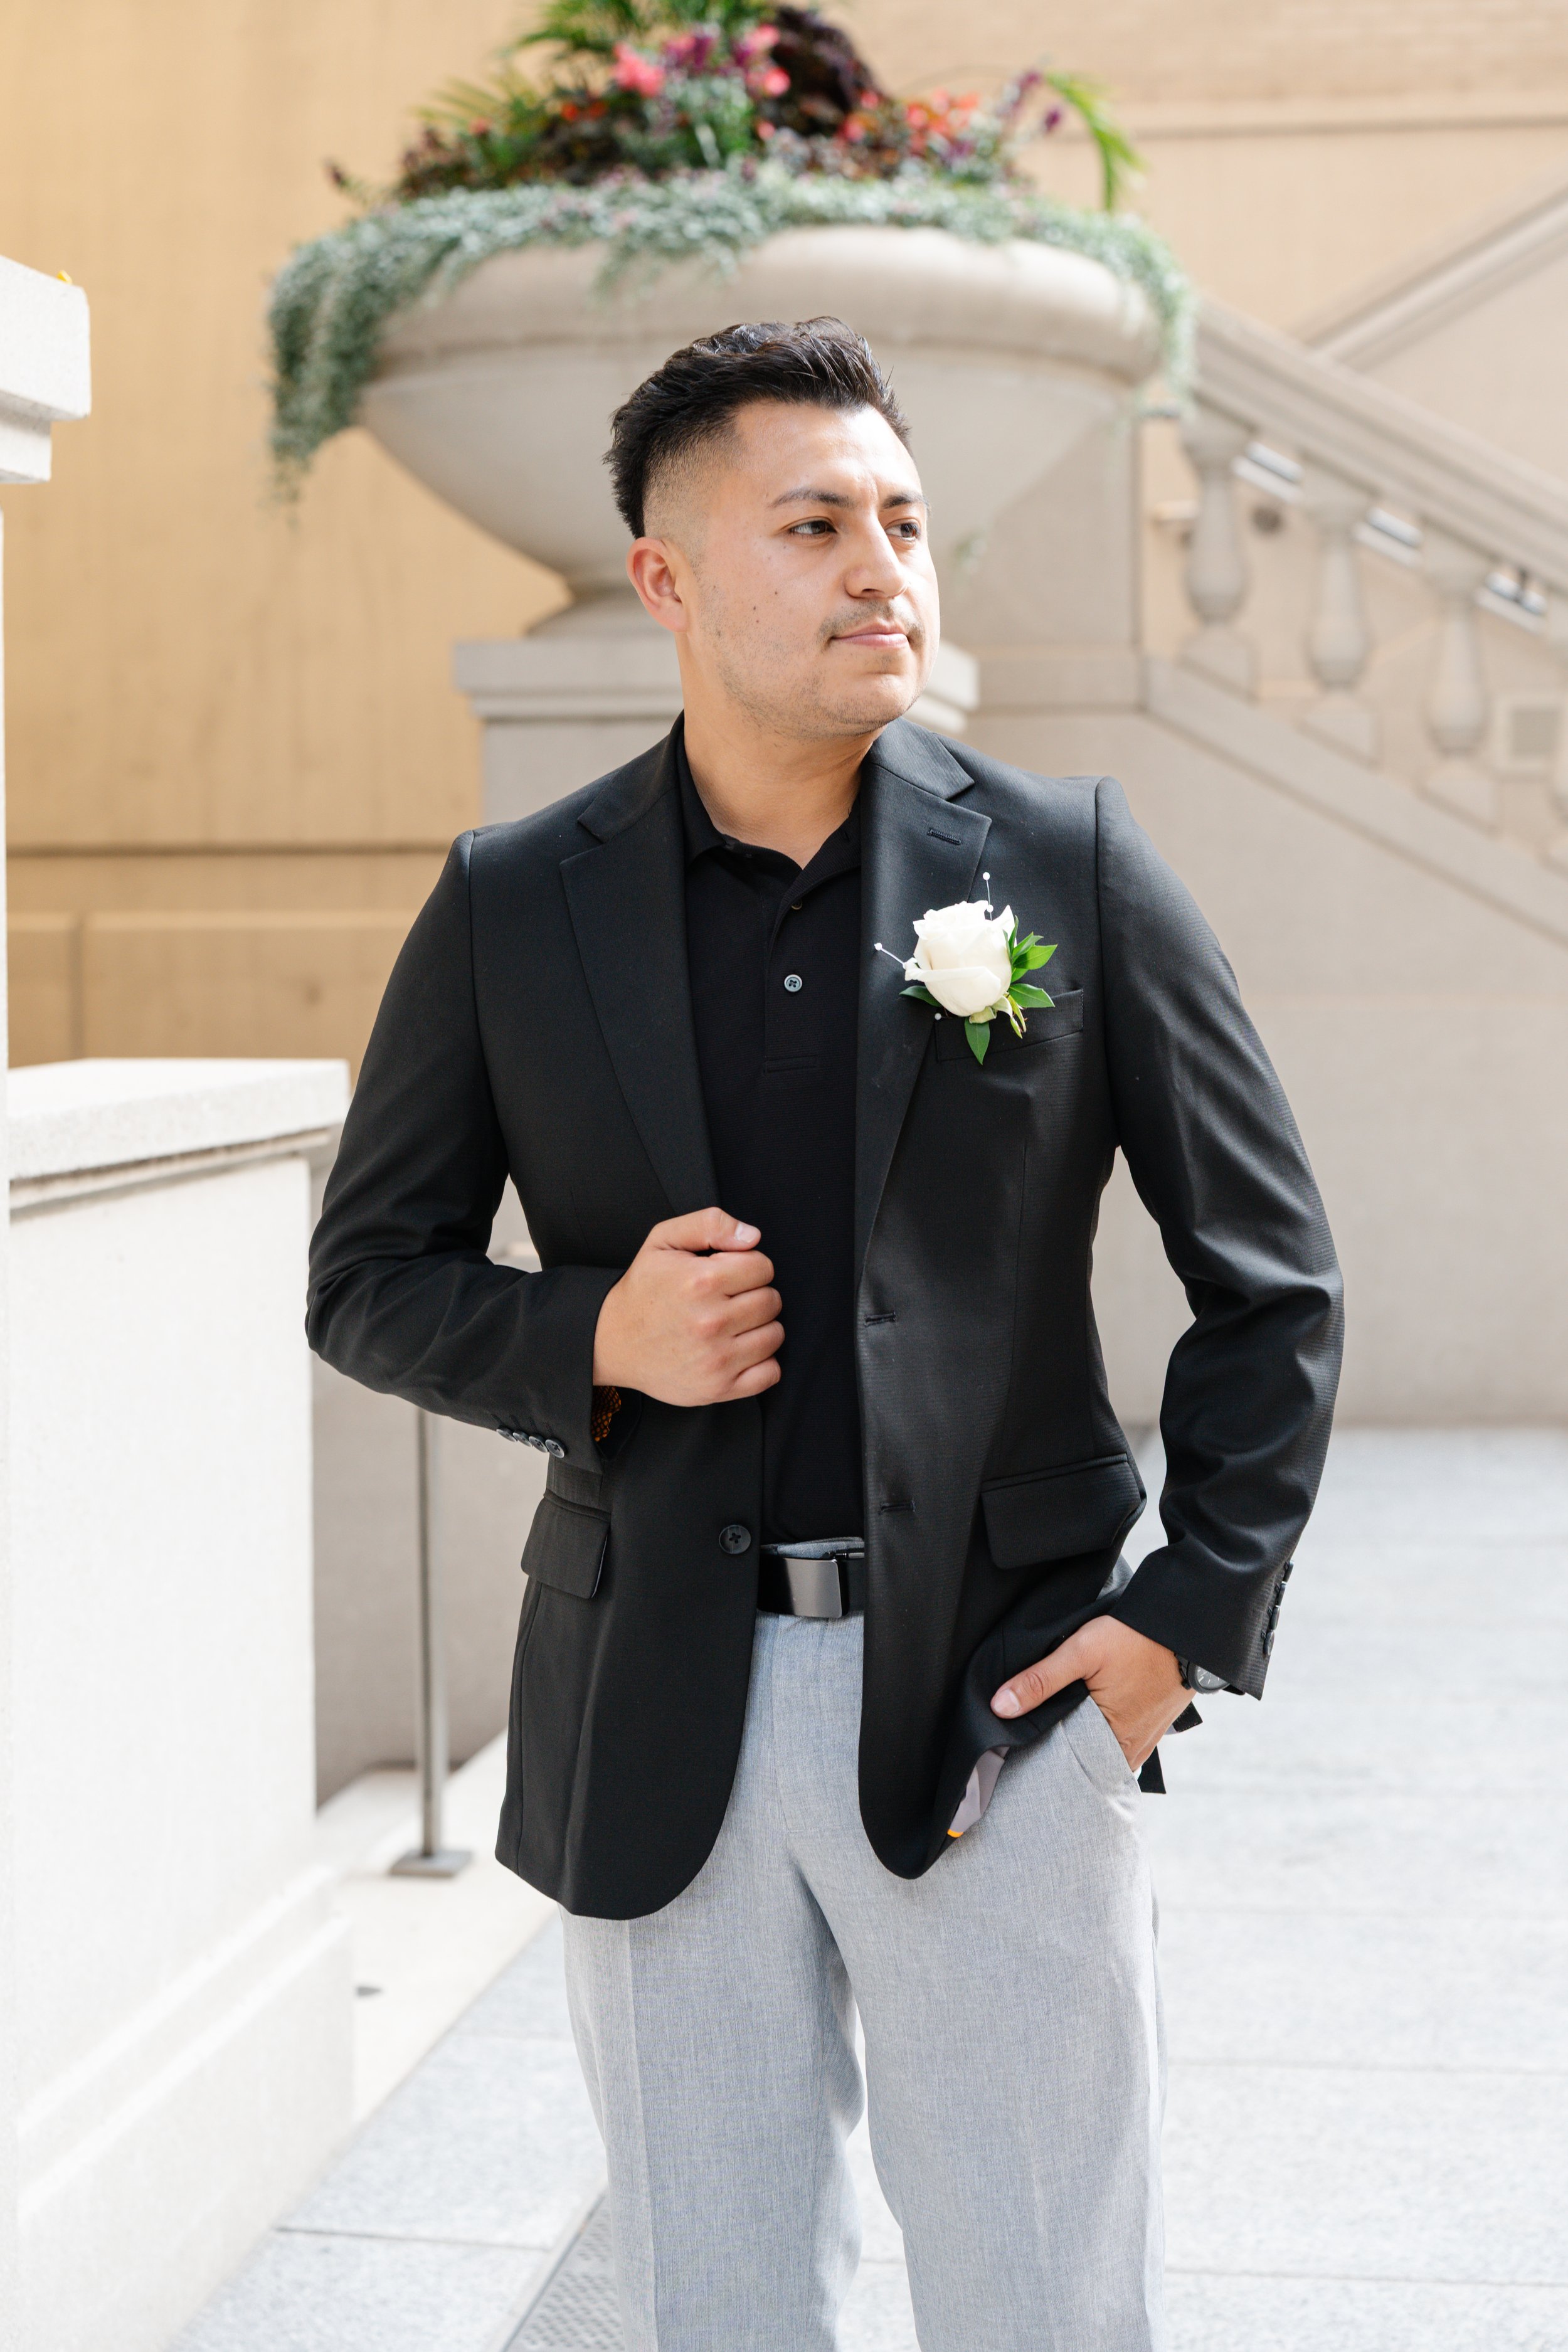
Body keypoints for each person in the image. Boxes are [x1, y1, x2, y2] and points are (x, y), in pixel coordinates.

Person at [307, 317, 1342, 2352]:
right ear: (668, 579)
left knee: (1044, 2289)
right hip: (651, 1696)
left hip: (1001, 1688)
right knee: (717, 2299)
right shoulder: (520, 902)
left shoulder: (1065, 866)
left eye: (903, 520)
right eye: (814, 523)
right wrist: (600, 1334)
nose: (883, 567)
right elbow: (369, 1274)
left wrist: (1177, 1622)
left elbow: (1271, 1276)